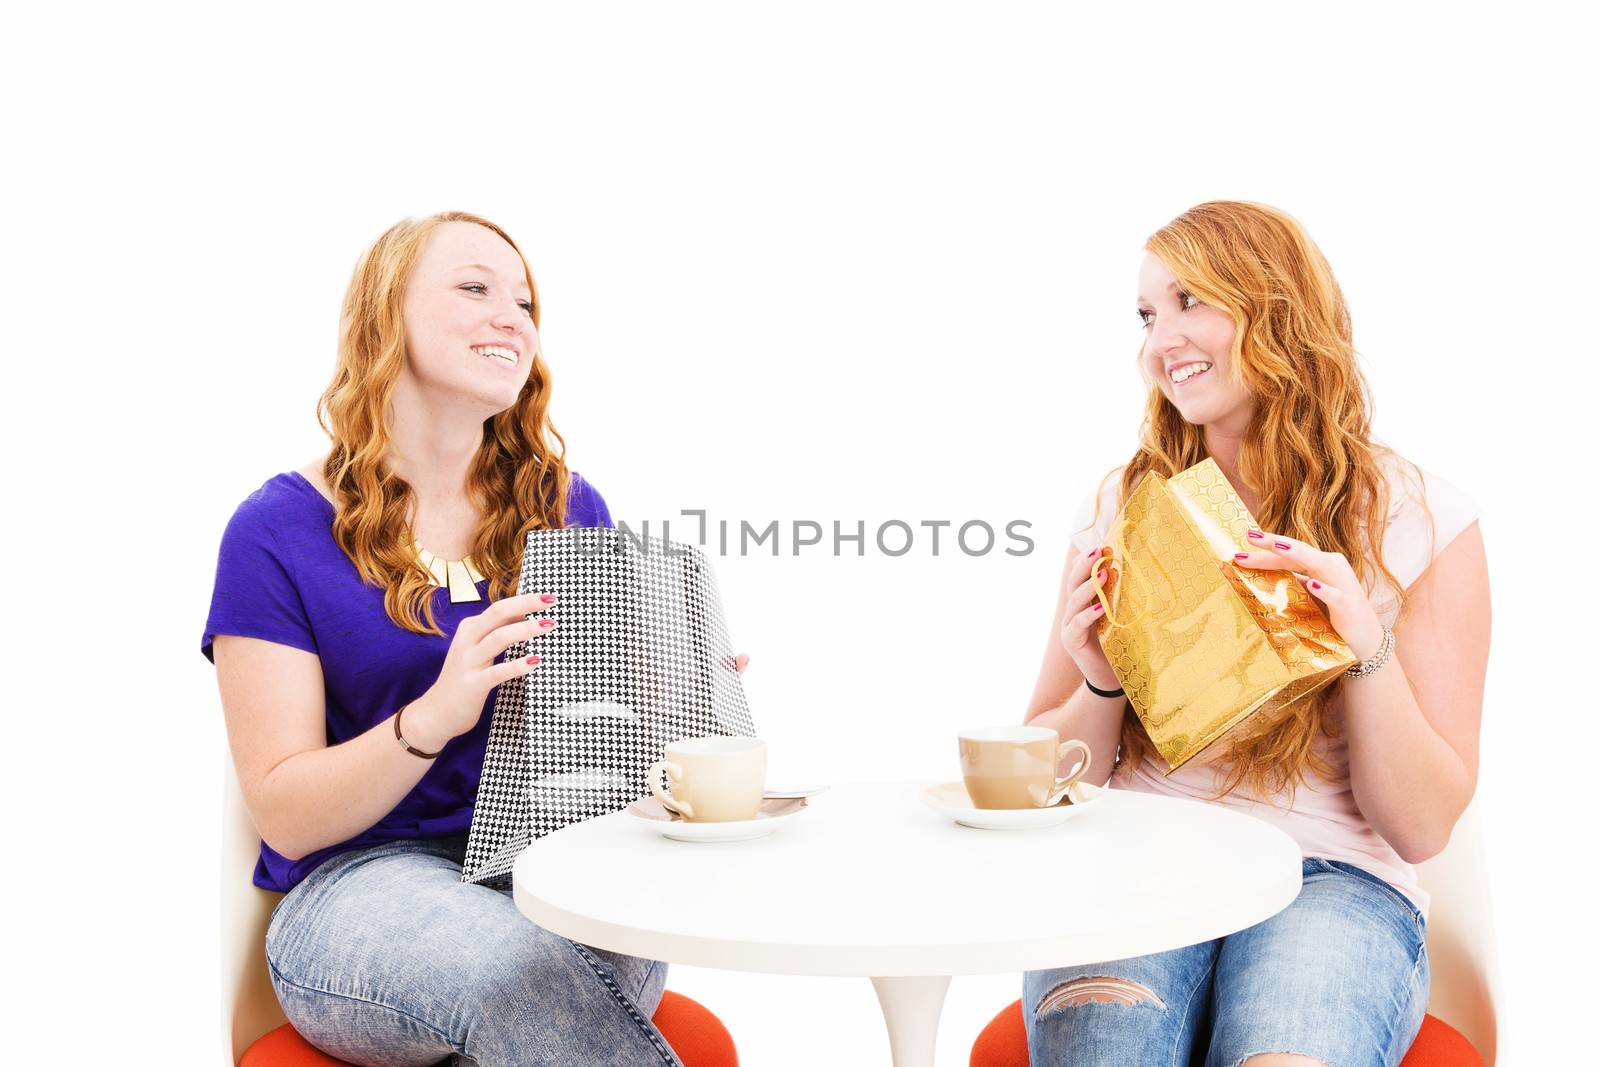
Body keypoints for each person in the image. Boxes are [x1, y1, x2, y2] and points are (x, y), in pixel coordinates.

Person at [203, 212, 718, 1066]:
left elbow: (606, 758)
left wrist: (672, 699)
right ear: (385, 314)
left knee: (575, 957)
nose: (512, 316)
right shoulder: (276, 530)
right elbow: (287, 817)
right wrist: (433, 715)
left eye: (524, 301)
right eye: (475, 288)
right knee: (523, 976)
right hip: (360, 887)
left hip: (552, 865)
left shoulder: (567, 509)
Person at [1021, 201, 1489, 1067]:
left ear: (1276, 308)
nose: (1163, 339)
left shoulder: (1424, 521)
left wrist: (1361, 647)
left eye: (1191, 300)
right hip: (1138, 863)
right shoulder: (1124, 506)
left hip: (1332, 884)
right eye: (1148, 313)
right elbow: (1040, 778)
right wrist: (1100, 681)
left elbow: (1421, 827)